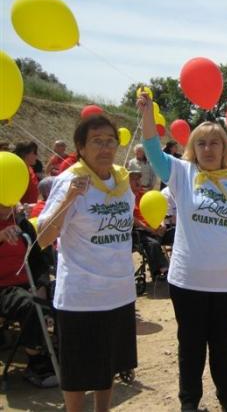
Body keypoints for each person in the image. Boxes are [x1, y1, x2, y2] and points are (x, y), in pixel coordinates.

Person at [137, 94, 227, 412]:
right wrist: (147, 114)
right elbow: (152, 149)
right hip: (188, 280)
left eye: (214, 143)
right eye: (201, 143)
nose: (208, 149)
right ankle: (189, 402)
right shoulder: (182, 174)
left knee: (222, 344)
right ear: (193, 148)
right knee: (191, 345)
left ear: (225, 148)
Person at [38, 114, 137, 412]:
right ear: (80, 147)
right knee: (78, 374)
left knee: (108, 365)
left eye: (110, 141)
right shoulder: (70, 180)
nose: (105, 148)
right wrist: (69, 197)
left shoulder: (121, 180)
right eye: (96, 141)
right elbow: (43, 238)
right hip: (82, 297)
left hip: (119, 292)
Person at [0, 204, 57, 388]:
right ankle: (36, 362)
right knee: (29, 305)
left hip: (27, 284)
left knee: (64, 295)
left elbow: (39, 262)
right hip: (3, 288)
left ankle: (63, 349)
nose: (5, 206)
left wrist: (41, 288)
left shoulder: (22, 224)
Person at [129, 166, 169, 281]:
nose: (137, 181)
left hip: (156, 228)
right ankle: (162, 270)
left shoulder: (145, 195)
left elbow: (159, 209)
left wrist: (162, 225)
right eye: (133, 179)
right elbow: (132, 219)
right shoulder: (126, 197)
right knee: (153, 243)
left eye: (138, 178)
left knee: (176, 236)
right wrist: (150, 229)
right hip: (141, 230)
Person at [13, 141, 40, 206]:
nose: (37, 155)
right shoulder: (17, 172)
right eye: (34, 152)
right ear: (24, 154)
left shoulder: (30, 168)